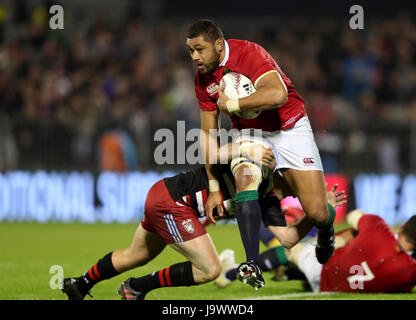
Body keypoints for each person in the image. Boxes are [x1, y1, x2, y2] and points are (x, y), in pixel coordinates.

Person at [187, 19, 336, 288]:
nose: (195, 57)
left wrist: (231, 103)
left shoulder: (249, 53)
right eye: (190, 51)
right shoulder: (202, 80)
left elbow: (277, 94)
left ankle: (326, 233)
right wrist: (213, 186)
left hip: (290, 128)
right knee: (245, 176)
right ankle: (251, 262)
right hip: (249, 133)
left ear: (219, 45)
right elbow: (208, 135)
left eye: (199, 49)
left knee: (317, 212)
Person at [61, 143, 287, 300]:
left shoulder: (267, 199)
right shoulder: (261, 159)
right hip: (172, 202)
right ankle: (136, 287)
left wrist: (320, 218)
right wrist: (248, 149)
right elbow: (215, 152)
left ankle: (80, 284)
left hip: (165, 196)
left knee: (136, 255)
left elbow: (287, 238)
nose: (294, 196)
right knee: (210, 269)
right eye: (297, 189)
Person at [217, 209, 416, 293]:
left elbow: (354, 216)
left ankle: (229, 274)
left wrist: (385, 228)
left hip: (323, 268)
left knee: (287, 249)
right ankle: (285, 274)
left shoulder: (378, 229)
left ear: (405, 224)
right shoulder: (410, 272)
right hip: (329, 286)